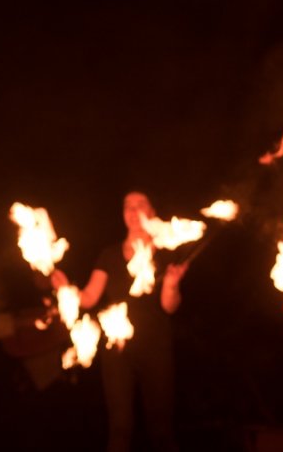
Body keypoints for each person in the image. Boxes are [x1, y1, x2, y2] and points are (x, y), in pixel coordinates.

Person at [53, 191, 186, 452]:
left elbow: (169, 306)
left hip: (155, 347)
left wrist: (171, 284)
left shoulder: (166, 253)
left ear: (152, 213)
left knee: (161, 431)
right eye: (128, 205)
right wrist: (66, 289)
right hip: (117, 350)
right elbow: (90, 297)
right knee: (119, 429)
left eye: (141, 204)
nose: (133, 210)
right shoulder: (109, 254)